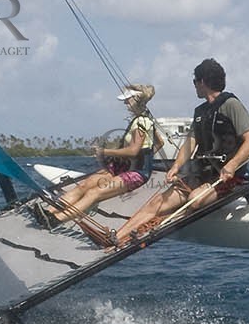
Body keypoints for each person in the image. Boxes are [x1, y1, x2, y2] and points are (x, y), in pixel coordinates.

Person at [113, 58, 249, 246]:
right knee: (156, 203)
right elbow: (189, 144)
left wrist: (231, 165)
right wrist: (176, 166)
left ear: (202, 82)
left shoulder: (231, 104)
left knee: (194, 200)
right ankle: (116, 237)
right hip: (200, 173)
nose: (194, 86)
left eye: (194, 81)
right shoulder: (200, 112)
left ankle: (153, 227)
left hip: (227, 177)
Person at [41, 83, 163, 225]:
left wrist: (105, 152)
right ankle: (49, 211)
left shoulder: (143, 121)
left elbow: (133, 151)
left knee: (94, 193)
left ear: (137, 100)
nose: (125, 102)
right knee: (84, 185)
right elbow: (160, 143)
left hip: (136, 173)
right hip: (122, 168)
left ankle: (56, 219)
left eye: (127, 100)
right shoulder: (141, 119)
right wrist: (146, 157)